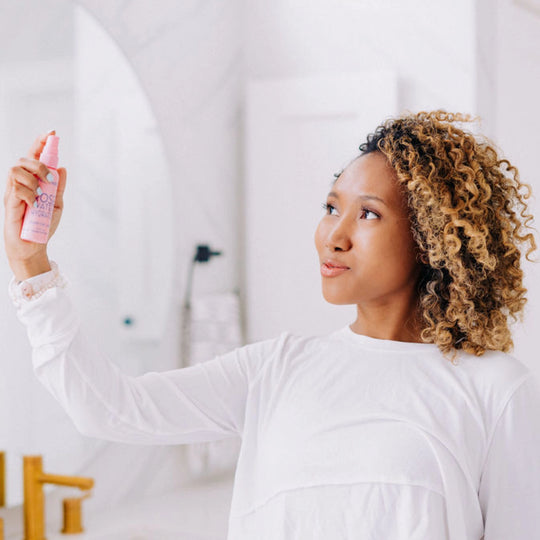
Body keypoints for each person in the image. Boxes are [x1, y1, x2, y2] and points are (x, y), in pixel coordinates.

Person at [4, 110, 540, 539]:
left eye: (369, 214)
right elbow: (110, 409)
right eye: (332, 206)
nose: (333, 234)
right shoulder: (278, 369)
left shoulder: (493, 389)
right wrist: (31, 265)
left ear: (433, 239)